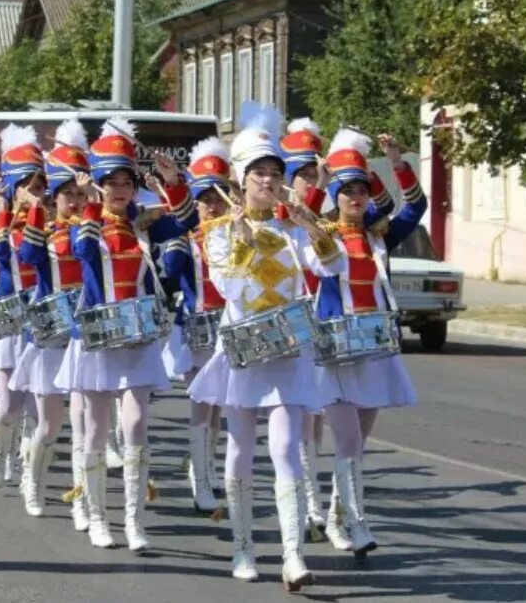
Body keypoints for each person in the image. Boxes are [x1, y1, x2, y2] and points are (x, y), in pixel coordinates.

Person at [188, 103, 343, 591]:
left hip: (289, 351)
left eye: (276, 172)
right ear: (241, 178)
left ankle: (292, 554)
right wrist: (240, 233)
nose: (269, 180)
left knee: (287, 449)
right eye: (260, 173)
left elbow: (332, 269)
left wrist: (312, 223)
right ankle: (242, 546)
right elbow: (228, 287)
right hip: (244, 350)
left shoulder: (293, 228)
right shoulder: (217, 233)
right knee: (240, 449)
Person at [53, 118, 194, 552]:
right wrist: (92, 204)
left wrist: (173, 183)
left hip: (138, 336)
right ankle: (97, 517)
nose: (119, 189)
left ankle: (134, 521)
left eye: (125, 182)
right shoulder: (86, 224)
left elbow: (185, 219)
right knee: (94, 431)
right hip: (96, 334)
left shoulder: (146, 225)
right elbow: (82, 250)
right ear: (97, 185)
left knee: (134, 424)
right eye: (109, 182)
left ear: (135, 186)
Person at [310, 130, 423, 558]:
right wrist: (320, 181)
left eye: (361, 189)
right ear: (336, 196)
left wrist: (393, 160)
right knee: (347, 441)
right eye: (348, 190)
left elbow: (415, 207)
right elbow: (292, 218)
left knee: (358, 444)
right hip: (336, 351)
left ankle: (341, 517)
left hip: (375, 348)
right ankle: (355, 523)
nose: (355, 197)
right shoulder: (318, 236)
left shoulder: (379, 238)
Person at [13, 119, 89, 521]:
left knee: (82, 426)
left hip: (87, 336)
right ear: (55, 199)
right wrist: (37, 214)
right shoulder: (46, 230)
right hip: (50, 336)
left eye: (80, 194)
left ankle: (82, 501)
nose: (75, 202)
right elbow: (26, 259)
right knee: (50, 426)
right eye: (68, 196)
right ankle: (32, 480)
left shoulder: (93, 230)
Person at [160, 137, 231, 514]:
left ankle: (207, 468)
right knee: (203, 405)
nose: (212, 205)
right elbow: (170, 274)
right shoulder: (186, 236)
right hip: (198, 327)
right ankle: (199, 481)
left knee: (219, 405)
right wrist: (176, 242)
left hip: (230, 328)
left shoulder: (237, 235)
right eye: (205, 198)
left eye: (219, 198)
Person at [0, 124, 46, 490]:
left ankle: (29, 471)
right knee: (9, 404)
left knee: (38, 405)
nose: (36, 194)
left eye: (40, 187)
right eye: (28, 186)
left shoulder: (51, 222)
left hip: (38, 315)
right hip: (8, 311)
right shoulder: (0, 222)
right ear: (13, 187)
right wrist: (5, 210)